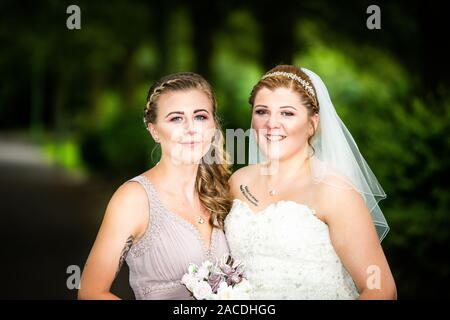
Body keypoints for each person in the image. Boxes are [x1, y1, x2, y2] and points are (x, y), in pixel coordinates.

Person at [225, 65, 397, 299]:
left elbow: (381, 289)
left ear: (312, 123)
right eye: (262, 111)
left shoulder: (335, 191)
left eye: (287, 113)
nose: (271, 123)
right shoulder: (238, 181)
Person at [78, 72, 231, 299]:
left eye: (200, 117)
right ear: (154, 130)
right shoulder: (134, 199)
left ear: (213, 124)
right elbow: (90, 293)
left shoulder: (223, 192)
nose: (191, 128)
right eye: (176, 118)